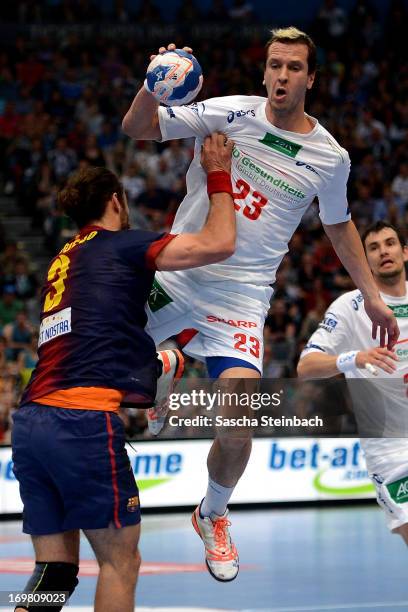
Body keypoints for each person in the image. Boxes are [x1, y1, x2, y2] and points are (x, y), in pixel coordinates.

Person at [122, 27, 398, 582]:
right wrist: (154, 83)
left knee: (238, 416)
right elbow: (138, 128)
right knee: (109, 358)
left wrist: (372, 295)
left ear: (311, 78)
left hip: (243, 295)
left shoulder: (331, 156)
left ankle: (213, 514)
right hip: (180, 269)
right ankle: (159, 372)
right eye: (275, 64)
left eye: (294, 67)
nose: (281, 76)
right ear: (264, 71)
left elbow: (339, 225)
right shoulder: (230, 113)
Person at [12, 132, 236, 612]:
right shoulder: (122, 246)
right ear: (116, 200)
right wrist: (219, 174)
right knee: (120, 564)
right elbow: (221, 243)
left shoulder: (63, 259)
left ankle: (159, 368)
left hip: (31, 424)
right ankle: (162, 366)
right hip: (81, 421)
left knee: (55, 572)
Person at [297, 220, 408, 540]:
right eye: (373, 248)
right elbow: (305, 366)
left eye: (389, 244)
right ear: (364, 259)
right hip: (390, 451)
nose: (383, 251)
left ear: (404, 252)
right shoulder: (350, 307)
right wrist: (353, 358)